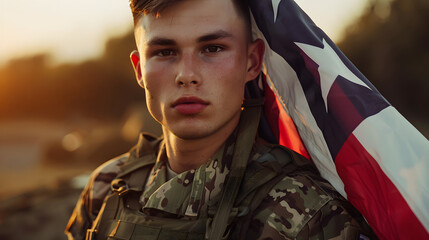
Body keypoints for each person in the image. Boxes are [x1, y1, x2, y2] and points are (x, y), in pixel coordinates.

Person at [65, 0, 377, 239]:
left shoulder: (306, 210)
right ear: (139, 70)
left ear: (252, 62)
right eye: (164, 52)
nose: (187, 75)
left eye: (212, 48)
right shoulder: (106, 188)